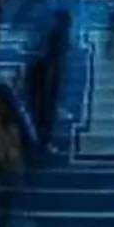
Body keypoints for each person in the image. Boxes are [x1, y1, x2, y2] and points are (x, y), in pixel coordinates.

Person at [24, 8, 71, 151]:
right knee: (44, 107)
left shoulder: (52, 34)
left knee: (41, 106)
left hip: (43, 72)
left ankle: (39, 138)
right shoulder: (56, 34)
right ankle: (41, 139)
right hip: (45, 73)